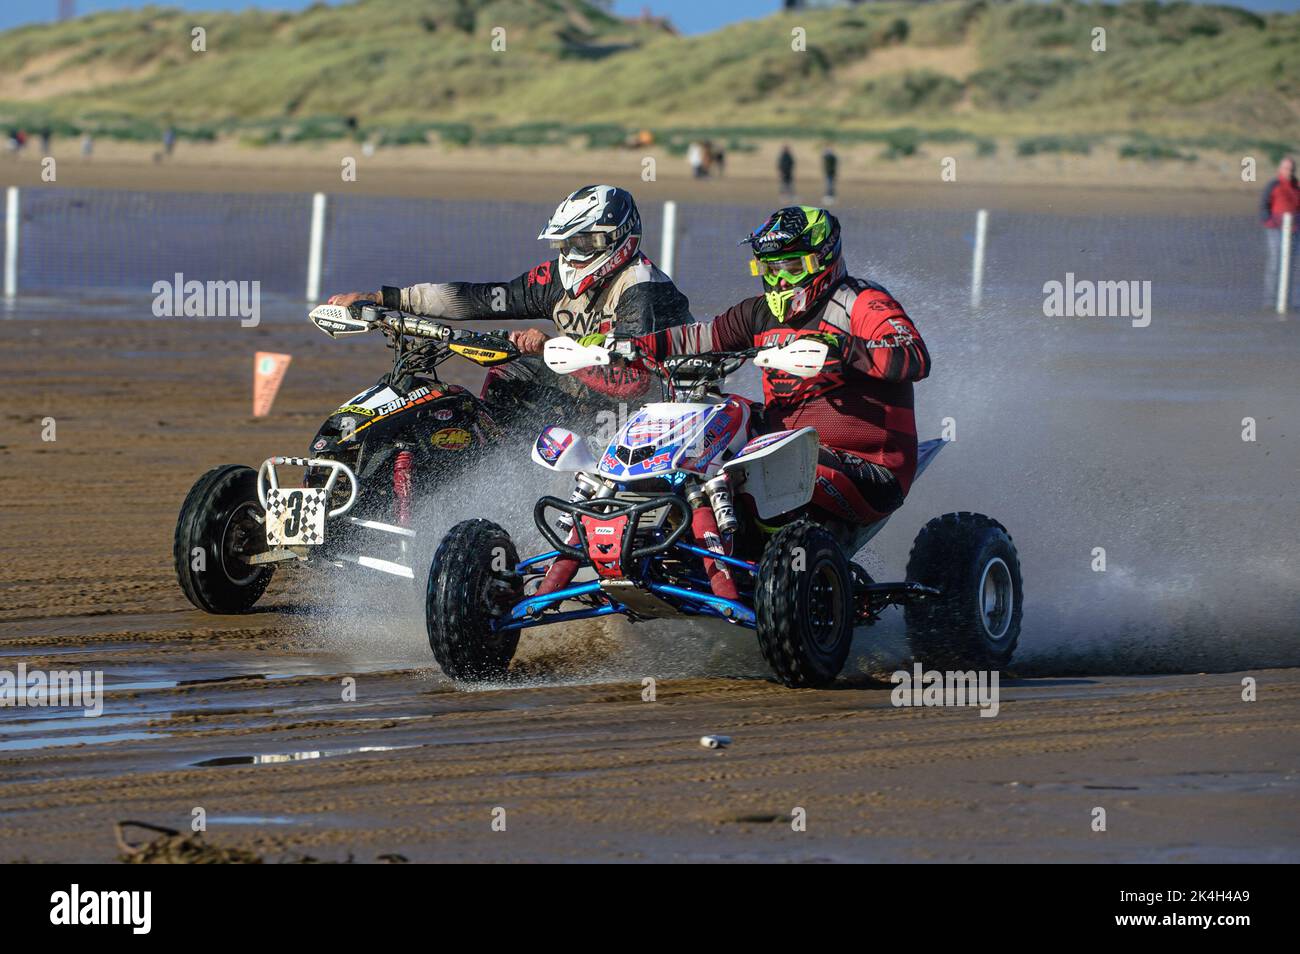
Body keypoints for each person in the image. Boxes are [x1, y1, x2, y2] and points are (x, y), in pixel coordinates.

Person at [628, 205, 930, 536]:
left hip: (870, 466)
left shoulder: (861, 302)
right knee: (707, 421)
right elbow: (698, 338)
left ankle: (772, 558)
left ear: (823, 260)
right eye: (771, 268)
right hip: (786, 444)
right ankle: (666, 529)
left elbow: (913, 356)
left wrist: (841, 350)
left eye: (792, 266)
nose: (781, 279)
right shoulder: (757, 313)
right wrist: (626, 348)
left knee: (766, 466)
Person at [327, 184, 695, 430]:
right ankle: (492, 463)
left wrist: (550, 348)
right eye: (569, 243)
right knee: (506, 374)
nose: (574, 253)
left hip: (652, 414)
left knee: (524, 368)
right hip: (592, 394)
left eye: (586, 242)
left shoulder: (643, 289)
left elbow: (632, 380)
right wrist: (382, 298)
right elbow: (482, 298)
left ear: (619, 238)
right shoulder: (555, 279)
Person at [1261, 156, 1300, 308]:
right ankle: (1271, 301)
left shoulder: (1297, 187)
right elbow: (1264, 206)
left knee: (1290, 266)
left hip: (1294, 231)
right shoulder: (1273, 185)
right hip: (1275, 231)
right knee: (1275, 263)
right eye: (1286, 168)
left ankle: (1286, 301)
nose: (1289, 172)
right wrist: (1269, 222)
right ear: (1280, 169)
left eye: (1291, 169)